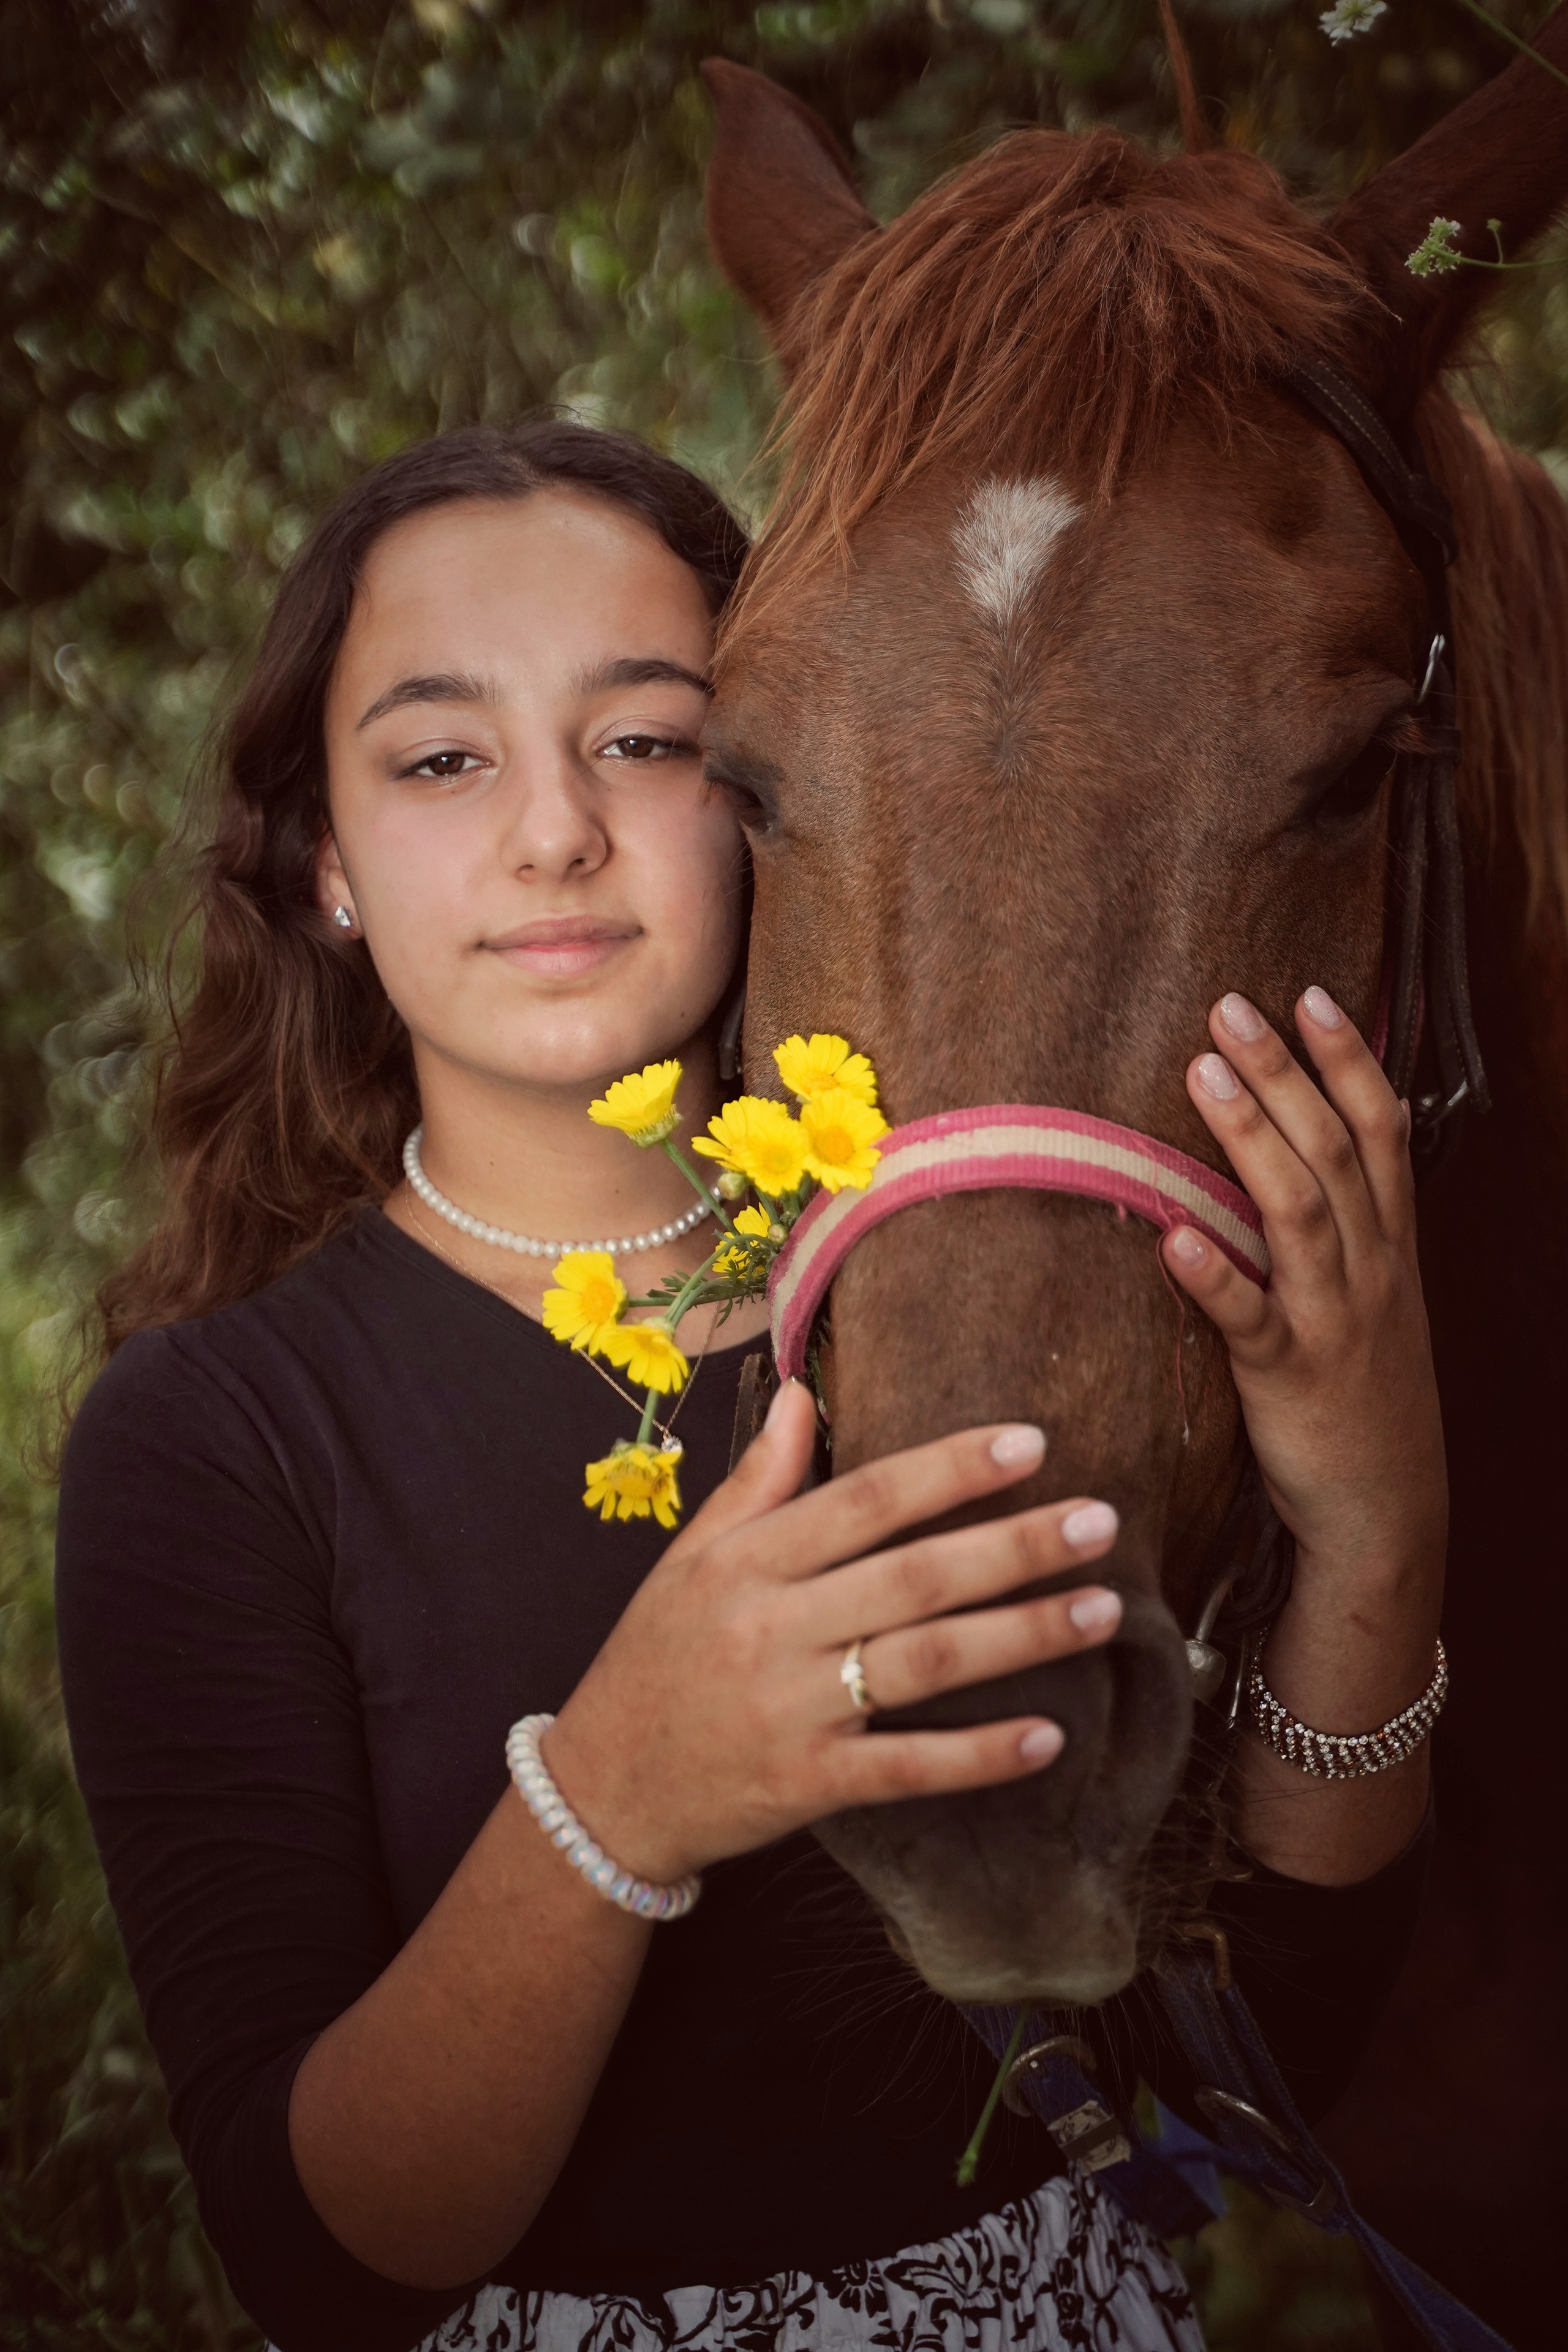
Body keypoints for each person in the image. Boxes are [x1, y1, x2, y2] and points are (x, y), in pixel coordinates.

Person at [54, 419, 1446, 2352]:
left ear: (781, 791)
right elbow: (318, 2260)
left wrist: (1377, 1523)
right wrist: (626, 1793)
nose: (556, 832)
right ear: (326, 867)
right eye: (443, 759)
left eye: (649, 738)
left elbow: (1281, 2042)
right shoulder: (217, 1437)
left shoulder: (986, 1299)